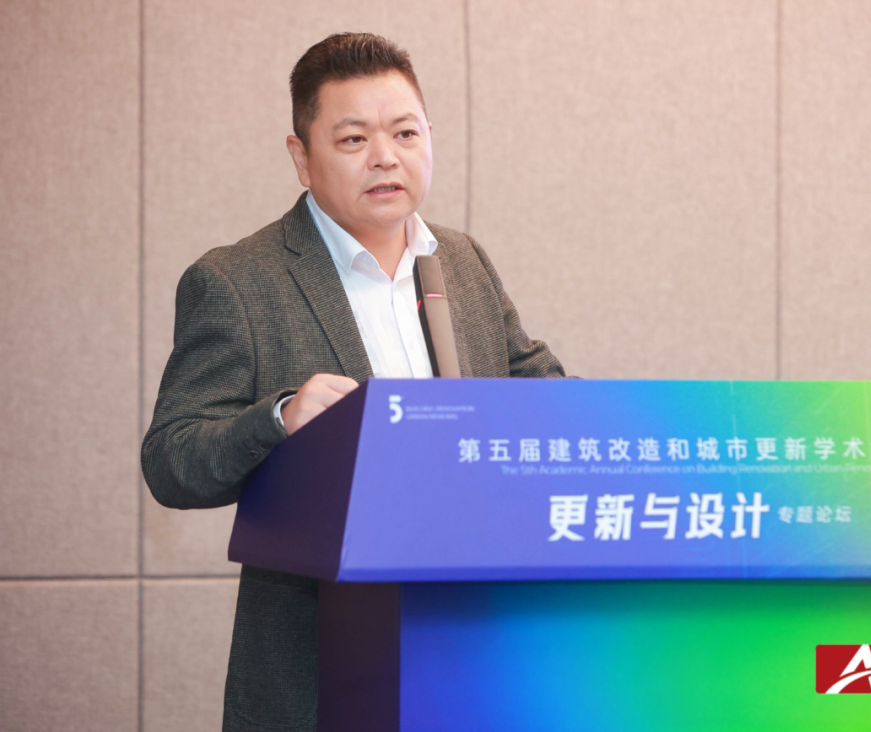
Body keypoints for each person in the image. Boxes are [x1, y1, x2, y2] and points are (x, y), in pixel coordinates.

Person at [141, 32, 565, 731]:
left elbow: (536, 389)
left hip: (472, 652)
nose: (385, 157)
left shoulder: (461, 262)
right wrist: (279, 418)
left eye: (405, 132)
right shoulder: (237, 281)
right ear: (301, 157)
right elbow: (171, 459)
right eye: (353, 139)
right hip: (322, 671)